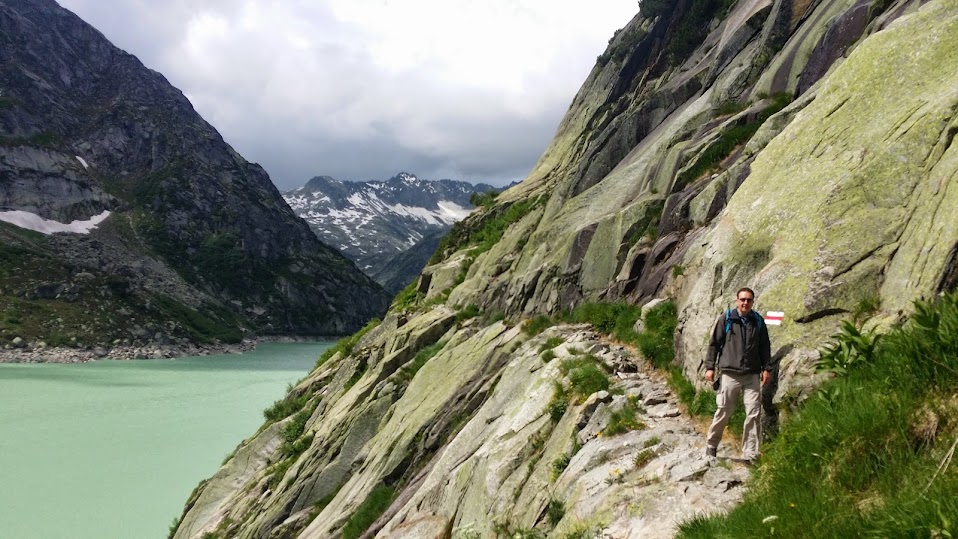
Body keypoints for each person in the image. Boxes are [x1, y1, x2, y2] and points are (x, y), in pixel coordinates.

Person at [704, 287, 774, 462]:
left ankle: (750, 453)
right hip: (730, 373)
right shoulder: (727, 318)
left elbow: (764, 346)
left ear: (752, 302)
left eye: (749, 300)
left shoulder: (758, 321)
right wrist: (710, 367)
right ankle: (712, 445)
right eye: (742, 299)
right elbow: (714, 344)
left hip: (752, 374)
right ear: (737, 301)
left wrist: (767, 368)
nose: (745, 303)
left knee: (753, 412)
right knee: (724, 410)